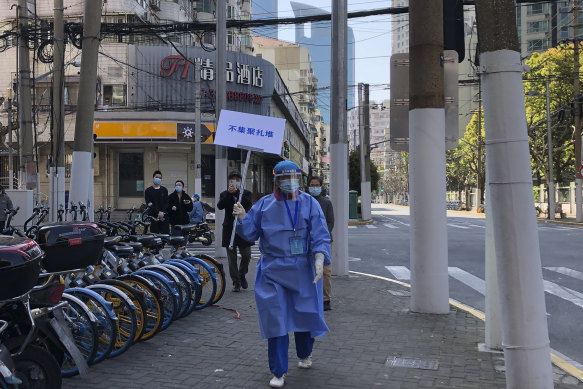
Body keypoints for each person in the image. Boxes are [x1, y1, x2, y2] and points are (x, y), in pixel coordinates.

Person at [233, 160, 331, 388]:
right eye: (285, 179)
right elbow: (249, 233)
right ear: (277, 180)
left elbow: (320, 234)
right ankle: (278, 371)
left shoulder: (310, 204)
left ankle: (305, 353)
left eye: (294, 178)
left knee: (305, 314)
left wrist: (319, 258)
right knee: (275, 319)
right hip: (273, 270)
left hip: (304, 269)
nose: (290, 183)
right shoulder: (264, 205)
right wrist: (242, 218)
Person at [217, 171, 254, 292]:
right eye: (232, 179)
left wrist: (238, 192)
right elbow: (220, 206)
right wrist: (229, 193)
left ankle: (242, 274)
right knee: (231, 258)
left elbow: (248, 204)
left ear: (241, 181)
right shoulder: (224, 194)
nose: (234, 181)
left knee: (246, 255)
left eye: (237, 179)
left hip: (243, 228)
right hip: (229, 228)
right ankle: (236, 282)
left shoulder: (246, 193)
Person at [307, 176, 334, 311]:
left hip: (324, 242)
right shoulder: (304, 202)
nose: (314, 187)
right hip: (307, 242)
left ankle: (325, 299)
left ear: (321, 187)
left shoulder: (326, 203)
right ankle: (311, 296)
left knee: (325, 271)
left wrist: (321, 235)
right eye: (312, 185)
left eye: (317, 185)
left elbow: (331, 222)